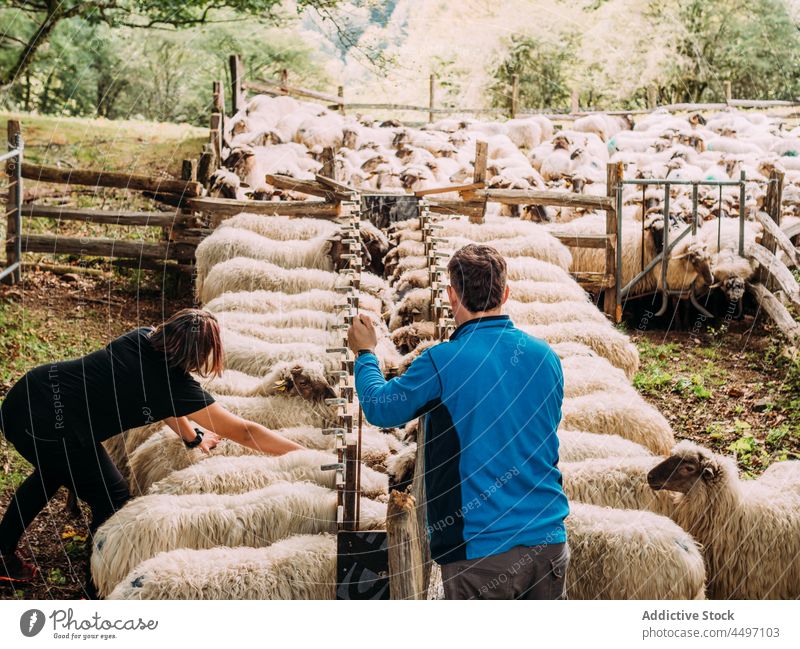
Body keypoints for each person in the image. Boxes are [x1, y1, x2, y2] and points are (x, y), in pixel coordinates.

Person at [0, 308, 304, 592]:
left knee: (51, 474)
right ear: (196, 354)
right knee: (113, 499)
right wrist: (304, 456)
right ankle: (94, 591)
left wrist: (191, 437)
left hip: (27, 395)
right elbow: (245, 432)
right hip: (52, 430)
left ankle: (2, 553)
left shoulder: (141, 337)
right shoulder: (173, 385)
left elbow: (162, 403)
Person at [348, 244, 570, 600]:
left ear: (451, 295)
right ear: (506, 293)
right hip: (548, 541)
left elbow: (380, 407)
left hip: (480, 549)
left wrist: (365, 354)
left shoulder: (443, 362)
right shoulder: (545, 357)